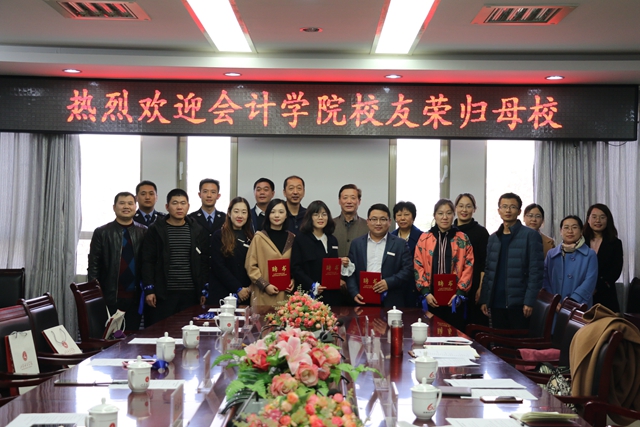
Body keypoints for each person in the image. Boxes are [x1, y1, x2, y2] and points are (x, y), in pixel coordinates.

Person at [141, 189, 208, 325]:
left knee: (188, 330)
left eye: (183, 203)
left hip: (190, 293)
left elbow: (203, 262)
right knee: (162, 331)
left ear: (188, 206)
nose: (179, 207)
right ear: (167, 207)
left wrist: (203, 289)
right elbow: (147, 261)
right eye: (175, 203)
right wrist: (149, 289)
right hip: (163, 293)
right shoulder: (156, 229)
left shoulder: (197, 229)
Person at [479, 192, 544, 330]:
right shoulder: (493, 238)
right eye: (504, 206)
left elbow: (536, 272)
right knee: (498, 340)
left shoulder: (530, 236)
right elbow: (488, 271)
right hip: (496, 302)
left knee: (518, 341)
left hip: (519, 303)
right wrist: (485, 299)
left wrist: (529, 301)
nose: (508, 210)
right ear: (499, 210)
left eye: (513, 207)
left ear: (519, 211)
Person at [88, 192, 147, 331]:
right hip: (109, 297)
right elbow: (94, 266)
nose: (126, 206)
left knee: (132, 337)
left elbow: (148, 263)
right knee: (109, 337)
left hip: (135, 298)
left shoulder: (144, 232)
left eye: (130, 203)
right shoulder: (102, 232)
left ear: (135, 207)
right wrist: (95, 295)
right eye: (122, 203)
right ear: (114, 207)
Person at [415, 199, 474, 331]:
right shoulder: (424, 238)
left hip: (455, 299)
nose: (445, 217)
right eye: (440, 213)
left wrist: (460, 292)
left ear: (453, 215)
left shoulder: (463, 238)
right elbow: (418, 265)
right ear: (435, 215)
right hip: (431, 297)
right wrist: (425, 292)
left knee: (453, 335)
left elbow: (468, 266)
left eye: (448, 213)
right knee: (431, 335)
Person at [346, 203, 413, 308]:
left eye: (382, 219)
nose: (378, 223)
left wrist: (388, 283)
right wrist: (354, 292)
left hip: (391, 301)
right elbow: (350, 271)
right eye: (374, 219)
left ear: (389, 222)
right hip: (362, 299)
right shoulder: (356, 244)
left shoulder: (400, 244)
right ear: (368, 221)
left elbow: (408, 270)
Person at [291, 200, 350, 307]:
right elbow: (296, 268)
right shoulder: (301, 239)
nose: (320, 218)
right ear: (309, 217)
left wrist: (341, 263)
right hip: (310, 296)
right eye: (316, 214)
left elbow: (330, 265)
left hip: (332, 295)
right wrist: (312, 285)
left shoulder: (332, 240)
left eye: (324, 214)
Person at [245, 198, 296, 306]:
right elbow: (250, 266)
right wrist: (265, 285)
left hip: (286, 296)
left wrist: (293, 280)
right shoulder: (259, 238)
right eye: (272, 212)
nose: (277, 215)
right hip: (263, 295)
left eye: (281, 212)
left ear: (286, 215)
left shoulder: (292, 238)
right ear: (267, 215)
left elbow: (296, 265)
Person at [543, 215, 598, 307]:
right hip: (554, 305)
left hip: (578, 305)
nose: (570, 231)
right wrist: (552, 300)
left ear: (581, 231)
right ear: (561, 231)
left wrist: (573, 300)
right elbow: (545, 279)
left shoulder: (590, 254)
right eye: (566, 227)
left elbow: (590, 281)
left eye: (574, 227)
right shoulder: (551, 254)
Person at [453, 193, 490, 326]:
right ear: (455, 208)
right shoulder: (449, 230)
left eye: (468, 206)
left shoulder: (481, 232)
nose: (464, 210)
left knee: (473, 324)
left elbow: (485, 263)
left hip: (474, 285)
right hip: (452, 286)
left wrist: (481, 288)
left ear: (474, 209)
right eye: (461, 206)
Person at [210, 197, 254, 306]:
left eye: (244, 212)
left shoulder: (251, 237)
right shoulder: (219, 236)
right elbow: (218, 267)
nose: (240, 215)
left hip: (246, 293)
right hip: (223, 293)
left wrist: (249, 288)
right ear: (229, 213)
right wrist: (238, 288)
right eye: (236, 211)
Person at [188, 178, 226, 303]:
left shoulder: (226, 219)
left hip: (220, 275)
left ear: (218, 195)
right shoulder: (190, 219)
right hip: (197, 274)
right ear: (199, 194)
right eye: (205, 191)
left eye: (213, 192)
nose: (209, 195)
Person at [583, 203, 623, 312]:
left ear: (608, 220)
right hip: (582, 293)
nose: (598, 220)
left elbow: (616, 270)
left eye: (602, 217)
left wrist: (597, 287)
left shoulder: (615, 243)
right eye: (594, 217)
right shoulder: (580, 241)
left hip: (605, 294)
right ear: (588, 219)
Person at [391, 201, 422, 307]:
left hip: (414, 285)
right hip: (395, 285)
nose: (402, 218)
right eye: (399, 215)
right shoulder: (390, 237)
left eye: (406, 214)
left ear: (413, 217)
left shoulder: (422, 237)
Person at [333, 184, 369, 257]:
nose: (349, 201)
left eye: (353, 198)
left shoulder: (368, 226)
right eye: (345, 198)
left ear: (359, 201)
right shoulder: (330, 224)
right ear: (339, 201)